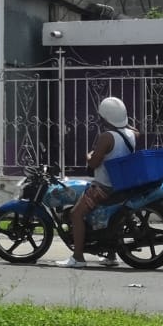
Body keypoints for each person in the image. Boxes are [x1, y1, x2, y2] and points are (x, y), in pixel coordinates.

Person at [57, 97, 138, 268]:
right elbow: (133, 130)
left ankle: (78, 257)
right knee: (113, 218)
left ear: (104, 118)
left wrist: (88, 155)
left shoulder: (106, 137)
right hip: (121, 186)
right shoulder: (132, 134)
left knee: (76, 214)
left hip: (104, 187)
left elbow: (93, 163)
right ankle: (111, 255)